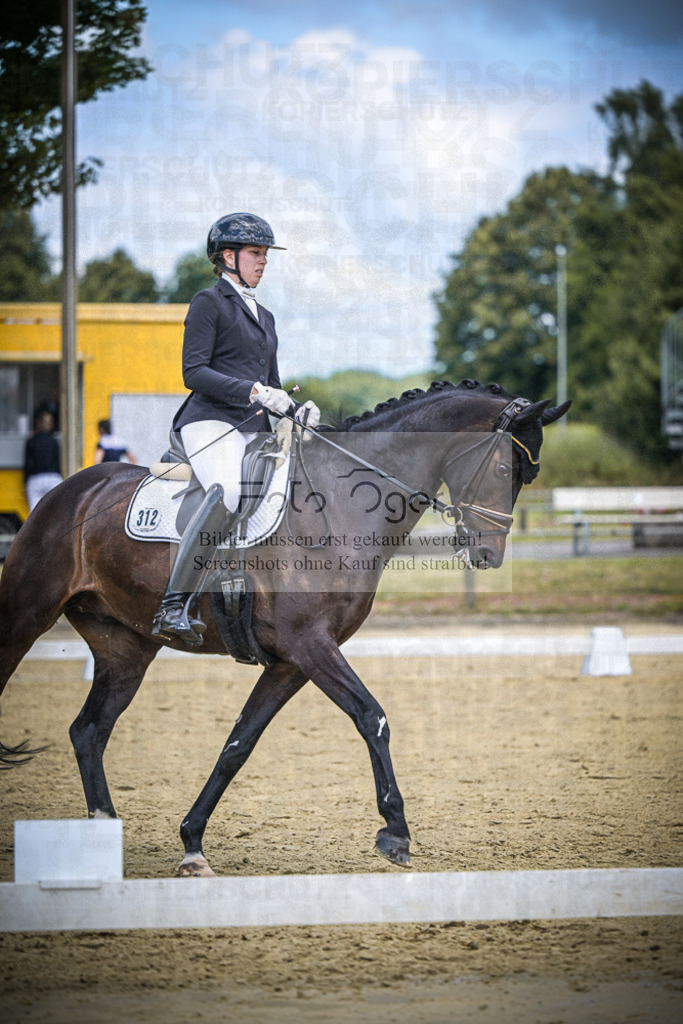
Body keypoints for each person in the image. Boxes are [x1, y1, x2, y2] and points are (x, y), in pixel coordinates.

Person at [152, 212, 320, 646]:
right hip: (209, 422)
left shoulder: (265, 316)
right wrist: (253, 392)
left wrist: (295, 410)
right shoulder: (209, 302)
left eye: (265, 255)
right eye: (255, 253)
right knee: (227, 490)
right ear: (228, 256)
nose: (263, 262)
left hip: (253, 428)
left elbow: (275, 386)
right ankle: (173, 604)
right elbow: (194, 373)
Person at [24, 411, 62, 512]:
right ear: (51, 425)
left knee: (35, 513)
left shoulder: (31, 441)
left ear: (38, 424)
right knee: (55, 512)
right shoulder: (54, 441)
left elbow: (27, 464)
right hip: (53, 478)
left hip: (36, 478)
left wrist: (25, 482)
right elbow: (57, 462)